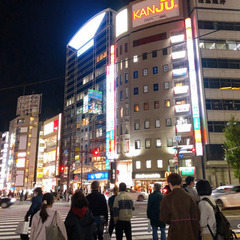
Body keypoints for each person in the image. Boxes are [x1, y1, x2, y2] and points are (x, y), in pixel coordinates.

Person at [160, 173, 199, 240]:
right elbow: (196, 215)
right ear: (181, 182)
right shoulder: (190, 197)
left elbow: (164, 217)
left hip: (175, 232)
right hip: (190, 232)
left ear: (169, 184)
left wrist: (174, 220)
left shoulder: (167, 198)